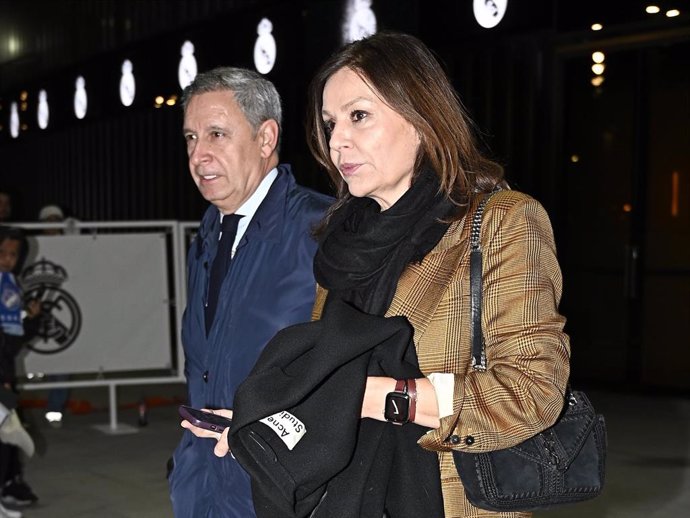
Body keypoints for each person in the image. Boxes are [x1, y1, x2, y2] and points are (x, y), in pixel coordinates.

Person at [185, 33, 570, 518]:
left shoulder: (499, 222)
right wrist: (262, 422)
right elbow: (329, 380)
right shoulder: (341, 242)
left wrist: (371, 397)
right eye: (330, 123)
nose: (338, 139)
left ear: (421, 118)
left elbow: (533, 392)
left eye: (359, 116)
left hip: (449, 501)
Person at [169, 67, 332, 518]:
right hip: (205, 487)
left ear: (266, 139)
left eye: (216, 134)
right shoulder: (208, 234)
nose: (198, 155)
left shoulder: (321, 230)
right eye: (189, 138)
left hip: (281, 490)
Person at [0, 226, 41, 517]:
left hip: (3, 371)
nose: (6, 259)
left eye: (13, 254)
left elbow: (14, 339)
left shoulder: (10, 285)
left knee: (6, 434)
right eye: (1, 252)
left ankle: (9, 483)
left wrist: (32, 320)